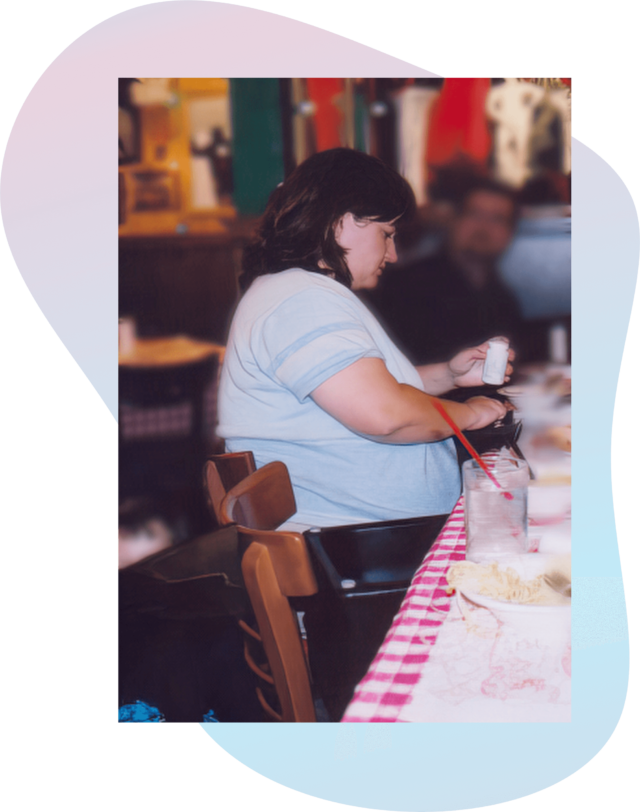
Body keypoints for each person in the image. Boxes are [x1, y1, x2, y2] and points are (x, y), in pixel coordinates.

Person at [216, 149, 511, 529]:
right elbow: (385, 416)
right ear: (342, 221)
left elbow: (360, 392)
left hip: (362, 538)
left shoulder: (297, 292)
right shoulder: (300, 299)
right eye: (386, 234)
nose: (393, 253)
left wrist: (448, 376)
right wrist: (470, 414)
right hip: (349, 548)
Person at [361, 176, 524, 366]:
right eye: (474, 214)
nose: (483, 227)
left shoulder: (504, 301)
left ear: (510, 233)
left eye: (497, 219)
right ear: (453, 221)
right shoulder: (403, 286)